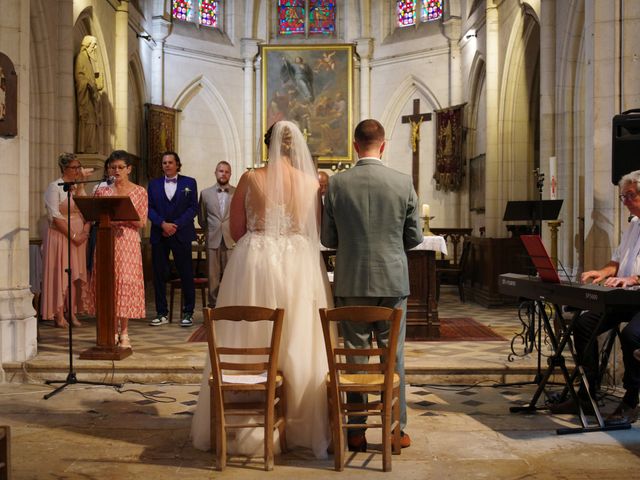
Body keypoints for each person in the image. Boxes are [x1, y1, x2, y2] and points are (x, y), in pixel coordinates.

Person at [190, 121, 332, 459]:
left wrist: (263, 238)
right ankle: (299, 423)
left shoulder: (251, 178)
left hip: (255, 262)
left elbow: (237, 229)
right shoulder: (311, 183)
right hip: (300, 264)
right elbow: (317, 231)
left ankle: (248, 416)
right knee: (298, 336)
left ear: (265, 145)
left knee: (250, 334)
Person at [321, 119, 423, 451]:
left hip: (350, 280)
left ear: (354, 145)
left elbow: (327, 238)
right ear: (383, 144)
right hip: (392, 280)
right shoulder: (402, 182)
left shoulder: (337, 184)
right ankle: (396, 430)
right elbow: (415, 237)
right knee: (393, 355)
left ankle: (356, 430)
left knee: (355, 356)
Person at [549, 170, 640, 425]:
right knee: (583, 324)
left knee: (632, 335)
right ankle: (587, 394)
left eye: (630, 196)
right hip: (625, 297)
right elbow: (617, 261)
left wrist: (634, 279)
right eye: (623, 197)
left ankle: (631, 400)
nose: (625, 202)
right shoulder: (633, 226)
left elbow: (633, 274)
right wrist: (600, 273)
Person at [88, 150, 147, 349]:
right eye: (112, 167)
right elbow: (93, 214)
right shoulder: (102, 191)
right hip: (106, 240)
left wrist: (122, 217)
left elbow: (142, 221)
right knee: (109, 284)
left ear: (129, 169)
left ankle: (124, 332)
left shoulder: (139, 191)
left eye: (120, 167)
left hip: (128, 242)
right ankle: (110, 330)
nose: (116, 170)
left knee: (125, 284)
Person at [147, 151, 198, 327]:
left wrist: (175, 225)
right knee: (159, 274)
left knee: (186, 274)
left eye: (170, 162)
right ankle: (161, 312)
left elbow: (193, 209)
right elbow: (149, 208)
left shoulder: (189, 182)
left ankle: (188, 312)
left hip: (181, 233)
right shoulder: (153, 185)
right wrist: (162, 224)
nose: (167, 165)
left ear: (177, 164)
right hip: (159, 234)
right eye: (164, 163)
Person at [41, 153, 92, 328]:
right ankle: (58, 313)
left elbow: (85, 209)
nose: (78, 170)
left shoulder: (77, 187)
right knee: (62, 274)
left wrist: (85, 232)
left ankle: (72, 312)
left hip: (78, 238)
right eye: (74, 167)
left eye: (79, 167)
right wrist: (75, 236)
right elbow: (55, 216)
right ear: (64, 168)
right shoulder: (54, 187)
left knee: (75, 276)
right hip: (60, 237)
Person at [198, 161, 236, 308]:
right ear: (215, 173)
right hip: (213, 238)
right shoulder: (205, 194)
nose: (223, 174)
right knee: (212, 275)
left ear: (230, 174)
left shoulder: (237, 192)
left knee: (230, 275)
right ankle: (213, 306)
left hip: (230, 239)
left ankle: (229, 305)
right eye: (221, 171)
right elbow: (202, 218)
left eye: (226, 171)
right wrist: (210, 230)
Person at [74, 35, 103, 154]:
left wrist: (96, 84)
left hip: (91, 98)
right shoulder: (81, 57)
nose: (95, 47)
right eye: (93, 45)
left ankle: (91, 147)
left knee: (93, 121)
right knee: (89, 120)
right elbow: (80, 78)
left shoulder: (89, 61)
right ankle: (87, 147)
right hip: (86, 98)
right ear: (87, 45)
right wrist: (88, 84)